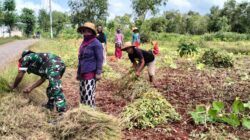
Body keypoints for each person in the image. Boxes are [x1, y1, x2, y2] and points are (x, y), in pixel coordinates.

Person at [77, 22, 104, 107]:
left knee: (89, 94)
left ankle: (90, 112)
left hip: (91, 71)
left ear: (92, 32)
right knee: (82, 93)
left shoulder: (96, 43)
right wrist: (78, 72)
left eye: (88, 31)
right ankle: (83, 110)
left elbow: (100, 59)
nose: (85, 33)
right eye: (84, 31)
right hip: (82, 70)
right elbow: (81, 57)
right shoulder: (84, 42)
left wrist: (98, 72)